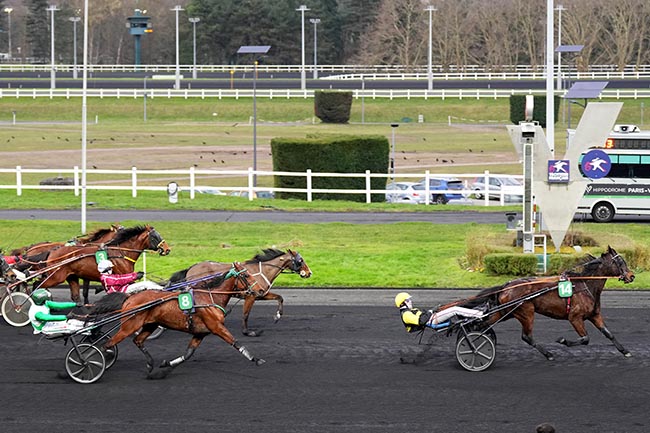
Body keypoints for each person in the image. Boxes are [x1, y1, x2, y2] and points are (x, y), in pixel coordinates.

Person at [394, 292, 486, 333]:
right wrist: (431, 311)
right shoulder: (406, 315)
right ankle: (480, 314)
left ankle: (475, 312)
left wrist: (434, 310)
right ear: (403, 303)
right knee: (455, 309)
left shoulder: (409, 311)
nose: (411, 301)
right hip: (432, 321)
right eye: (408, 300)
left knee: (454, 305)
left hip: (432, 318)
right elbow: (421, 321)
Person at [97, 259, 163, 294]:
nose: (112, 269)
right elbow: (121, 279)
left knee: (146, 284)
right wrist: (135, 276)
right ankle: (163, 290)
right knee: (146, 284)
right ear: (107, 269)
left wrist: (136, 274)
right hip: (120, 292)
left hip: (122, 289)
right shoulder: (106, 278)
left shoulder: (106, 276)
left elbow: (122, 276)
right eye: (110, 268)